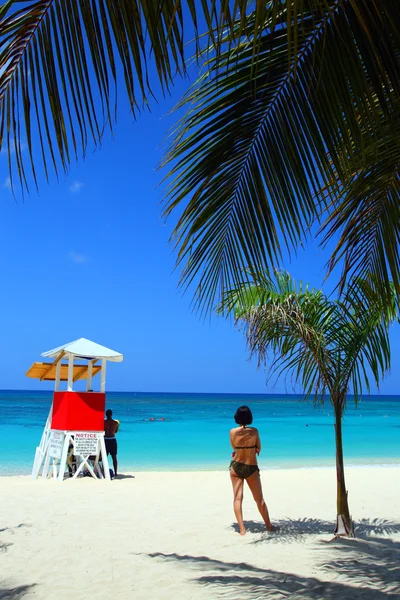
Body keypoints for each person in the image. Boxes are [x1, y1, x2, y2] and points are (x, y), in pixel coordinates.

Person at [230, 405, 274, 535]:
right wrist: (252, 449)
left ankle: (242, 530)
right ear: (250, 417)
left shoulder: (232, 432)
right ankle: (268, 526)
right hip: (251, 467)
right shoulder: (254, 431)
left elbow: (233, 447)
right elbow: (259, 447)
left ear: (237, 417)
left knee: (238, 498)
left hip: (236, 466)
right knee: (259, 499)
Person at [104, 409, 119, 478]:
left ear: (106, 414)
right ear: (111, 414)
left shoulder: (103, 422)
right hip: (113, 440)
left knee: (104, 457)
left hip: (106, 440)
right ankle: (115, 472)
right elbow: (115, 431)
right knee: (114, 457)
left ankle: (103, 471)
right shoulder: (115, 423)